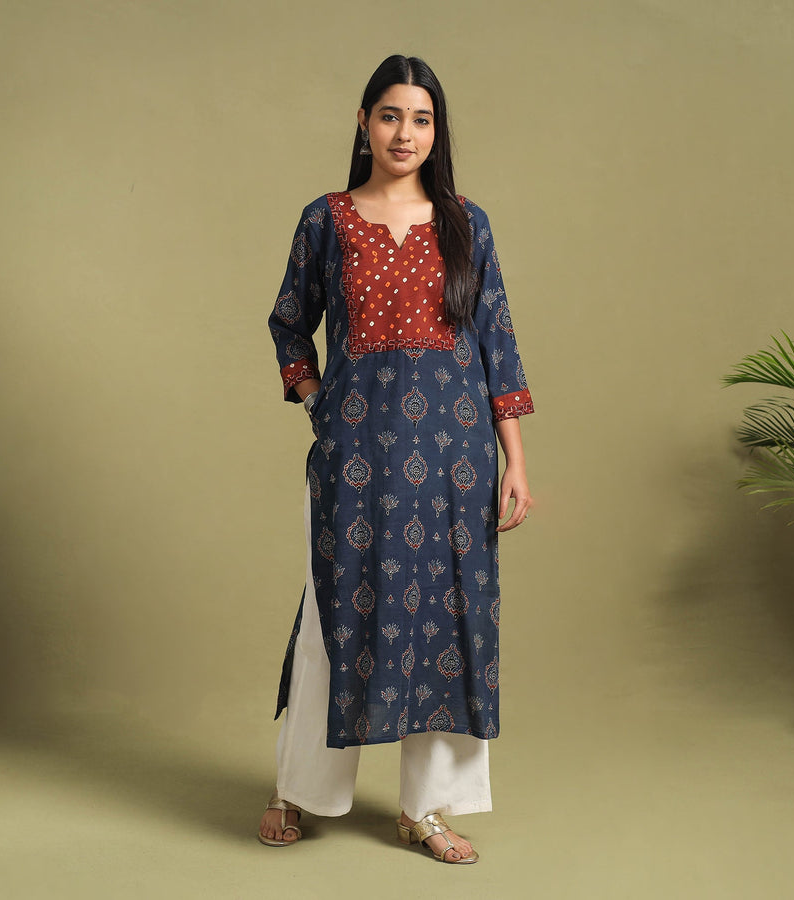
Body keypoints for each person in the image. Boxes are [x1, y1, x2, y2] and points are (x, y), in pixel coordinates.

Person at [261, 54, 534, 864]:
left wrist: (515, 462)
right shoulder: (326, 220)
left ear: (436, 131)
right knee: (333, 616)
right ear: (363, 122)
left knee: (448, 620)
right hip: (355, 459)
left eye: (420, 118)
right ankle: (296, 788)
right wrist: (318, 402)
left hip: (457, 459)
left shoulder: (466, 224)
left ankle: (428, 809)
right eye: (389, 115)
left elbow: (497, 344)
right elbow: (288, 322)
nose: (404, 133)